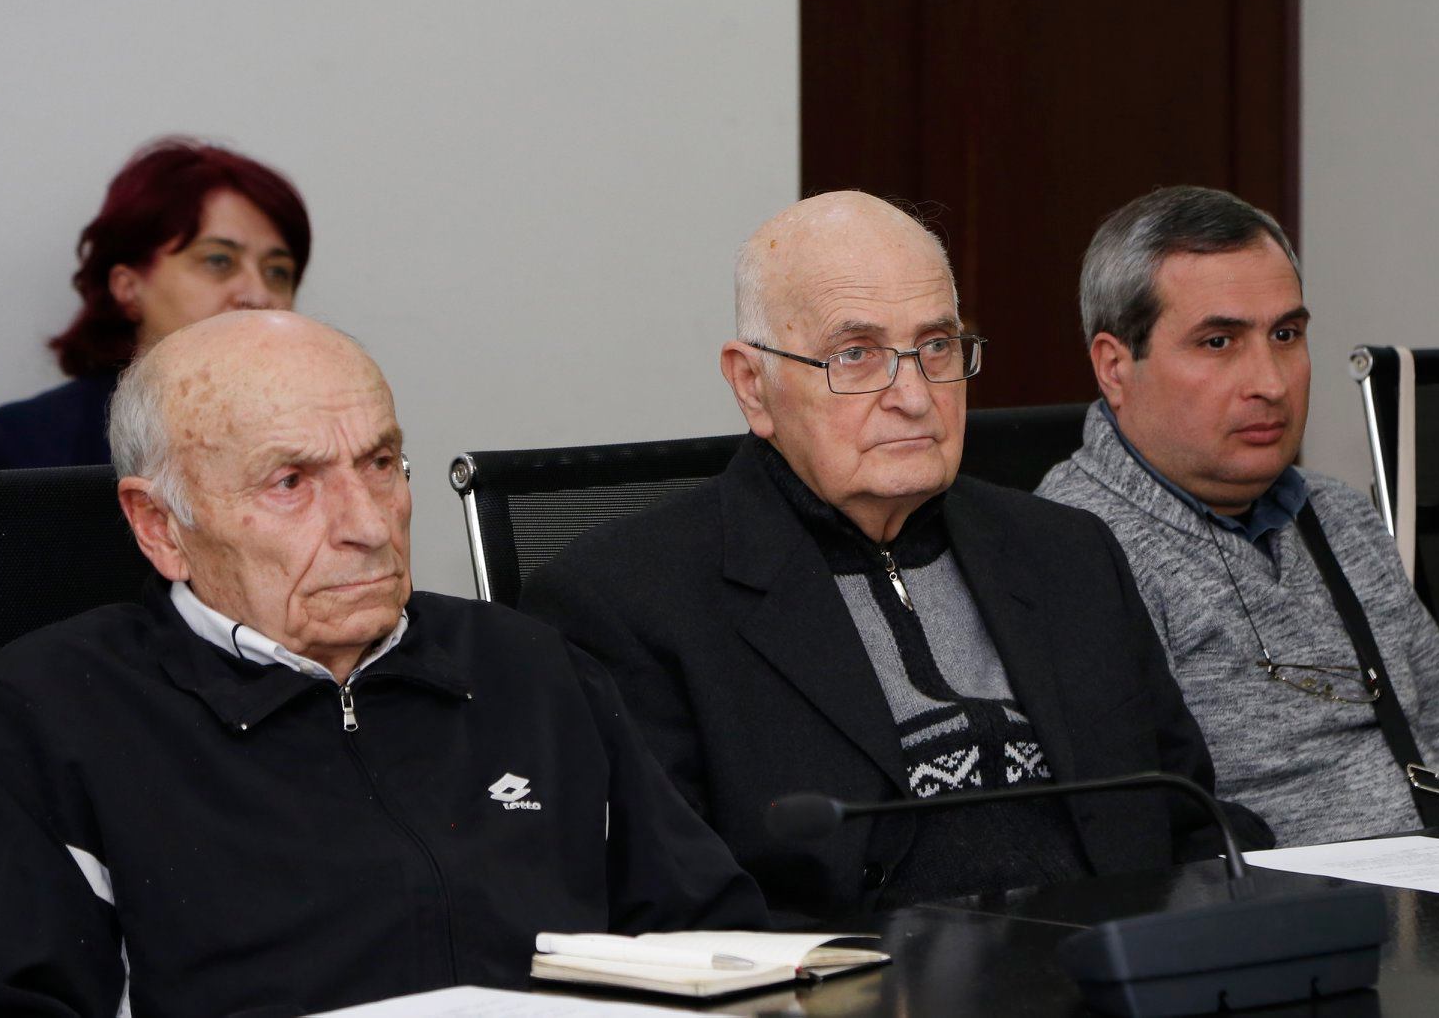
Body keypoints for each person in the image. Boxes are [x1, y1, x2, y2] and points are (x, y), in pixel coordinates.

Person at [0, 311, 763, 1016]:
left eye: (380, 463)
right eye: (291, 482)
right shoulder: (39, 721)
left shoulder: (528, 669)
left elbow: (712, 943)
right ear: (160, 526)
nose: (369, 524)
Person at [525, 191, 1264, 924]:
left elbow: (1190, 825)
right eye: (856, 354)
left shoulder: (1068, 552)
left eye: (937, 346)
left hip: (1118, 965)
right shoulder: (627, 601)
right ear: (753, 385)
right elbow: (674, 915)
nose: (913, 395)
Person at [1036, 186, 1439, 845]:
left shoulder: (1338, 515)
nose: (1271, 383)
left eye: (1286, 335)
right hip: (1291, 903)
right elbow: (1150, 842)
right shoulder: (1072, 550)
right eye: (1219, 341)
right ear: (1114, 367)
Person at [0, 135, 310, 470]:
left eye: (278, 272)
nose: (258, 295)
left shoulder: (327, 432)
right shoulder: (15, 450)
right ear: (128, 287)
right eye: (218, 260)